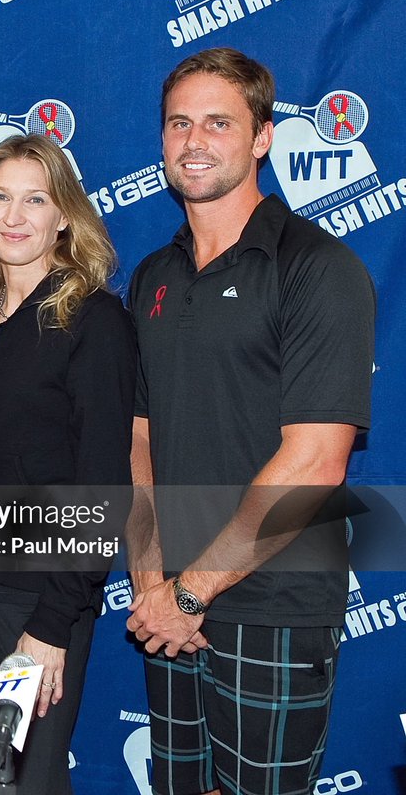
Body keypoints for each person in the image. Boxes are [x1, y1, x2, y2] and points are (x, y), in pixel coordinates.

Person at [124, 48, 376, 795]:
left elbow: (315, 464)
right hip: (167, 606)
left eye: (217, 122)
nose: (193, 140)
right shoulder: (152, 276)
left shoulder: (317, 268)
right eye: (177, 123)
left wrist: (191, 593)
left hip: (273, 607)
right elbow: (138, 435)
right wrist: (149, 577)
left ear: (262, 137)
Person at [0, 134, 135, 794]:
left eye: (34, 198)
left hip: (37, 598)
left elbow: (104, 482)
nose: (13, 215)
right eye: (0, 197)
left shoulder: (93, 320)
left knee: (27, 782)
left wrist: (51, 625)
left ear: (62, 216)